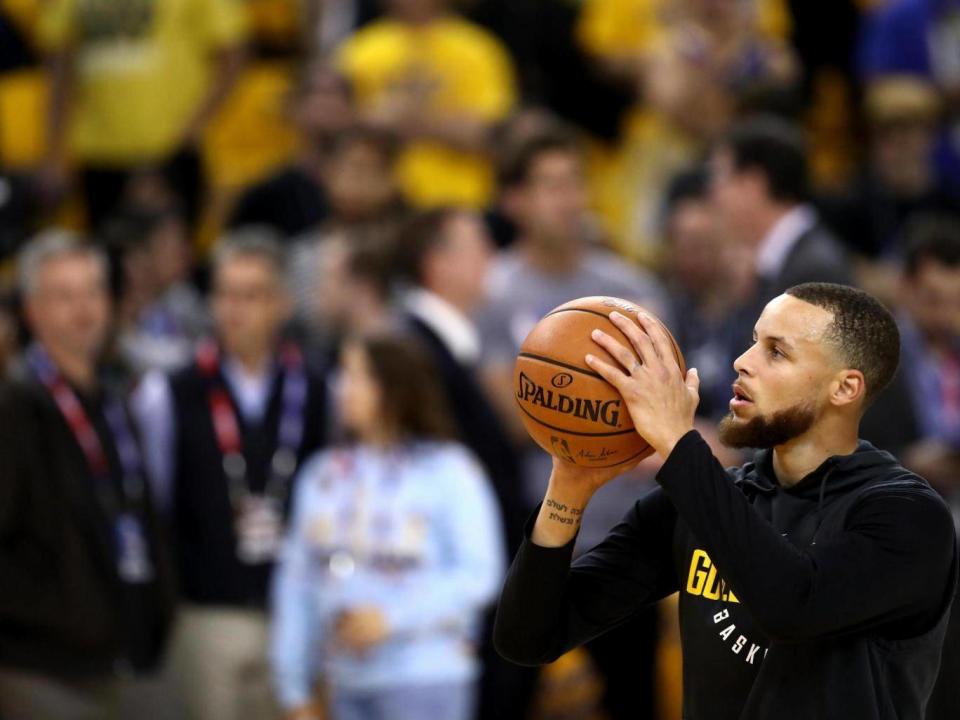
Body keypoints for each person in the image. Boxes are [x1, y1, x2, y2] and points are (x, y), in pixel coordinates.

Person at [495, 282, 957, 719]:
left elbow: (791, 605)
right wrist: (568, 489)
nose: (743, 361)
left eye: (776, 352)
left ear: (845, 388)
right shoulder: (704, 501)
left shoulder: (906, 516)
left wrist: (678, 442)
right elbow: (527, 637)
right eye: (753, 341)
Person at [133, 232, 329, 720]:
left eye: (252, 294)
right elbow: (153, 501)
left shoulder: (320, 386)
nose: (234, 309)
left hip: (296, 609)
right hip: (206, 612)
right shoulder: (168, 392)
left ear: (282, 303)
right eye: (224, 294)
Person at [271, 332, 504, 720]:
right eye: (342, 375)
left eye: (358, 376)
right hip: (344, 682)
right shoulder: (322, 475)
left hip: (427, 678)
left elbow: (480, 574)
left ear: (396, 386)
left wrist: (390, 619)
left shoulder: (450, 470)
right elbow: (297, 582)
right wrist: (293, 688)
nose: (343, 388)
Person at [0, 232, 174, 719]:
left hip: (131, 653)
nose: (83, 308)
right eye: (64, 295)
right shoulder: (14, 407)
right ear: (32, 310)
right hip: (44, 665)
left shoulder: (117, 399)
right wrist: (49, 614)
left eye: (93, 291)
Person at [36, 0, 247, 230]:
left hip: (171, 148)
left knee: (173, 252)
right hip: (98, 152)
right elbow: (59, 72)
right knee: (105, 252)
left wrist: (192, 128)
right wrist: (54, 154)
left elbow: (233, 55)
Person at [335, 0, 517, 209]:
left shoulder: (478, 48)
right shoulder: (359, 50)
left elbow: (492, 134)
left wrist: (402, 120)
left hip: (463, 201)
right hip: (380, 206)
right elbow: (346, 131)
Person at [710, 115, 851, 303]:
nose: (714, 195)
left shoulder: (814, 272)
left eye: (721, 180)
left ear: (753, 184)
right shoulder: (779, 265)